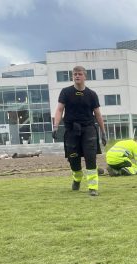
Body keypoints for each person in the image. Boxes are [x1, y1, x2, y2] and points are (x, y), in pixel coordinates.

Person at [52, 66, 107, 196]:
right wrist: (55, 126)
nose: (77, 76)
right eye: (75, 74)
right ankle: (77, 178)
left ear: (85, 76)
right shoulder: (65, 92)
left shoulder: (92, 94)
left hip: (88, 129)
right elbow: (60, 109)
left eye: (79, 74)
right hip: (71, 130)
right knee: (74, 160)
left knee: (90, 158)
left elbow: (98, 114)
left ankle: (93, 187)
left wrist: (103, 132)